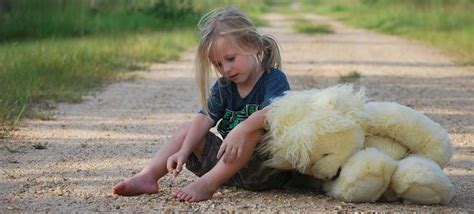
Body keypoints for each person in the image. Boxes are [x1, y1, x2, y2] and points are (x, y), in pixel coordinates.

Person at [112, 6, 309, 202]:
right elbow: (204, 117)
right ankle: (148, 176)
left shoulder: (273, 78)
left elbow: (274, 111)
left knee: (254, 130)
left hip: (265, 170)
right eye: (218, 64)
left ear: (254, 46)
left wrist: (242, 129)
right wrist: (184, 149)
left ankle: (207, 184)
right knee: (188, 129)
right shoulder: (225, 86)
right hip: (227, 167)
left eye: (231, 59)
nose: (226, 69)